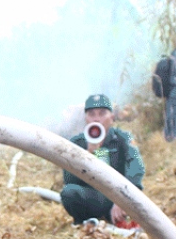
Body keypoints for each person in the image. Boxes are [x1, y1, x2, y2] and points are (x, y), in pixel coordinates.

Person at [60, 94, 144, 225]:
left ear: (111, 117)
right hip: (93, 196)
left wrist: (123, 200)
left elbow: (136, 169)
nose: (97, 119)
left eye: (102, 113)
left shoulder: (123, 138)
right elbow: (68, 180)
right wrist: (87, 155)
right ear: (86, 118)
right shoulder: (77, 143)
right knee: (69, 193)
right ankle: (85, 222)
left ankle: (119, 217)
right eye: (92, 114)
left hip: (119, 195)